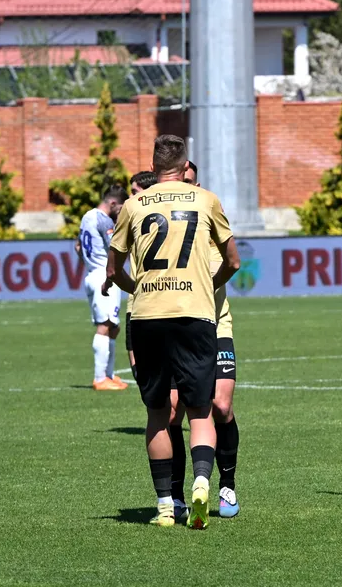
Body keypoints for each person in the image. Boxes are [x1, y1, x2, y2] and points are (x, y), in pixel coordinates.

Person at [105, 135, 240, 529]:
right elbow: (233, 261)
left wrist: (139, 289)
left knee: (159, 414)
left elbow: (113, 271)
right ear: (184, 168)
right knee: (200, 410)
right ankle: (202, 483)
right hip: (194, 315)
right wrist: (207, 285)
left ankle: (166, 505)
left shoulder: (133, 205)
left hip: (147, 318)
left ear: (153, 167)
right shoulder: (206, 200)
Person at [167, 161, 240, 520]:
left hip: (215, 326)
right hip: (175, 330)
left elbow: (231, 263)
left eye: (191, 181)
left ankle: (227, 485)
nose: (186, 187)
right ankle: (177, 494)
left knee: (221, 406)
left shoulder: (211, 218)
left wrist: (203, 286)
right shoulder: (164, 228)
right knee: (172, 411)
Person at [76, 185, 130, 391]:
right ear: (113, 203)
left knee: (114, 326)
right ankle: (100, 378)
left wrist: (90, 264)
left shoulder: (86, 217)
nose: (121, 212)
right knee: (106, 325)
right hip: (103, 275)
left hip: (92, 273)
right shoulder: (105, 220)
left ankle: (109, 375)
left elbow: (78, 247)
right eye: (120, 208)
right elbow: (114, 248)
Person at [125, 171, 159, 378]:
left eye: (134, 192)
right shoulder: (132, 217)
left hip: (146, 304)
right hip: (139, 304)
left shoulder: (136, 219)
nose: (129, 197)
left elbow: (113, 267)